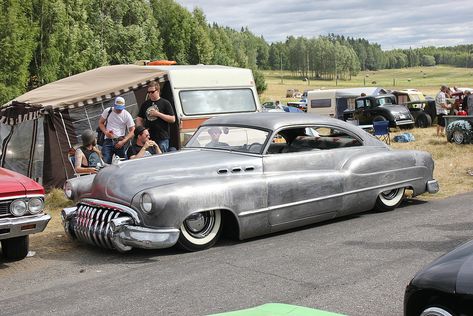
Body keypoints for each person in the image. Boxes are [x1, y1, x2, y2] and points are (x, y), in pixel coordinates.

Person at [136, 81, 176, 152]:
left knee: (162, 157)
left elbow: (173, 119)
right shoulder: (145, 104)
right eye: (148, 92)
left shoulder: (165, 103)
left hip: (162, 137)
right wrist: (141, 130)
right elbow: (139, 118)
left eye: (152, 92)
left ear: (158, 91)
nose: (150, 94)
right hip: (148, 137)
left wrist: (158, 114)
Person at [98, 96, 135, 163]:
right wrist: (106, 132)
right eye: (117, 108)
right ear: (114, 105)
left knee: (123, 162)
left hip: (120, 140)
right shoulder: (108, 111)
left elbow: (132, 130)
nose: (119, 110)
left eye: (120, 109)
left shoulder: (126, 115)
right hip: (108, 140)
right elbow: (100, 123)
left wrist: (123, 141)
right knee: (106, 161)